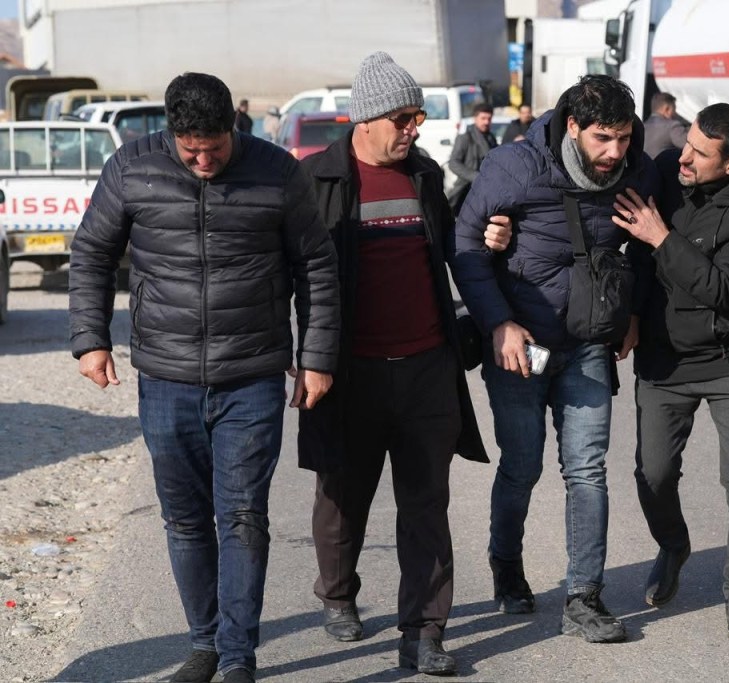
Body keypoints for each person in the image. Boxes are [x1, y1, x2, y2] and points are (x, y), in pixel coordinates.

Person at [69, 72, 341, 683]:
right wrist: (90, 340)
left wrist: (318, 356)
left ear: (232, 129)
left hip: (252, 376)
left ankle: (239, 655)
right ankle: (204, 643)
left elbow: (316, 266)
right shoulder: (131, 168)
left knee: (243, 514)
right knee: (185, 516)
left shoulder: (275, 172)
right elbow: (90, 252)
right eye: (189, 149)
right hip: (165, 379)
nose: (202, 160)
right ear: (171, 132)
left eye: (213, 148)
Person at [295, 51, 489, 677]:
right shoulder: (316, 182)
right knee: (342, 494)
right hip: (348, 372)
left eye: (419, 117)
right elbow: (288, 274)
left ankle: (425, 630)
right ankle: (338, 595)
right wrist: (301, 359)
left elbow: (450, 258)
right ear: (367, 117)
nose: (415, 129)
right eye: (404, 117)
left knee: (426, 504)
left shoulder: (427, 177)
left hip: (427, 368)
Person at [452, 74, 657, 644]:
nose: (614, 151)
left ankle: (584, 596)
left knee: (588, 470)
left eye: (623, 137)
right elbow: (465, 244)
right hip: (523, 348)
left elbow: (643, 249)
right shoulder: (514, 166)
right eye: (601, 138)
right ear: (573, 127)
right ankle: (507, 565)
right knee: (523, 466)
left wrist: (633, 311)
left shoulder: (637, 168)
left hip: (588, 346)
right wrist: (499, 323)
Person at [611, 102, 729, 641]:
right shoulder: (666, 171)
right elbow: (636, 255)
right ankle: (674, 543)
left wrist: (663, 237)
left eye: (698, 154)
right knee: (653, 473)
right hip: (665, 356)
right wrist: (634, 313)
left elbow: (725, 290)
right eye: (687, 143)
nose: (683, 157)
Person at [447, 102, 497, 213]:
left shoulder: (491, 138)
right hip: (466, 192)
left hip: (487, 191)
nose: (486, 122)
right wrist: (475, 176)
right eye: (483, 118)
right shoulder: (465, 138)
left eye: (489, 119)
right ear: (475, 119)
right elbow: (453, 163)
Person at [642, 91, 689, 159]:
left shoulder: (642, 126)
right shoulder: (672, 126)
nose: (675, 113)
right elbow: (690, 144)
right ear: (667, 109)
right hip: (661, 168)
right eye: (674, 109)